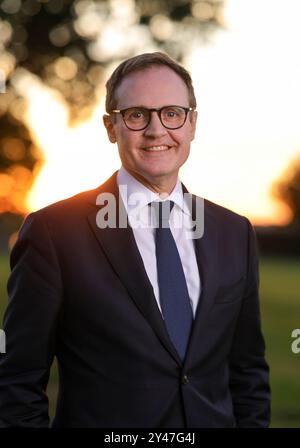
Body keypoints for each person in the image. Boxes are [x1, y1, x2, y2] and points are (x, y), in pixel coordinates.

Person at [0, 52, 270, 428]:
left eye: (172, 113)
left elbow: (248, 374)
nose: (157, 130)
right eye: (137, 115)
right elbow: (17, 379)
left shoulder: (234, 232)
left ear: (192, 123)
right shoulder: (53, 233)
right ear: (111, 127)